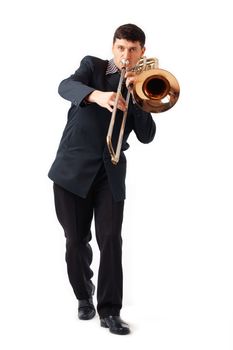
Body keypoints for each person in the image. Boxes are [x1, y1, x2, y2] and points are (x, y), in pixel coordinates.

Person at [48, 23, 156, 335]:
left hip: (110, 172)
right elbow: (65, 86)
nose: (126, 55)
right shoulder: (92, 67)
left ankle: (111, 311)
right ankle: (84, 295)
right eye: (121, 48)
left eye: (133, 49)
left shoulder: (142, 84)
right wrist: (98, 95)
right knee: (76, 241)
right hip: (72, 170)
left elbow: (147, 136)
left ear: (142, 53)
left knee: (111, 240)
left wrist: (139, 100)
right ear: (113, 47)